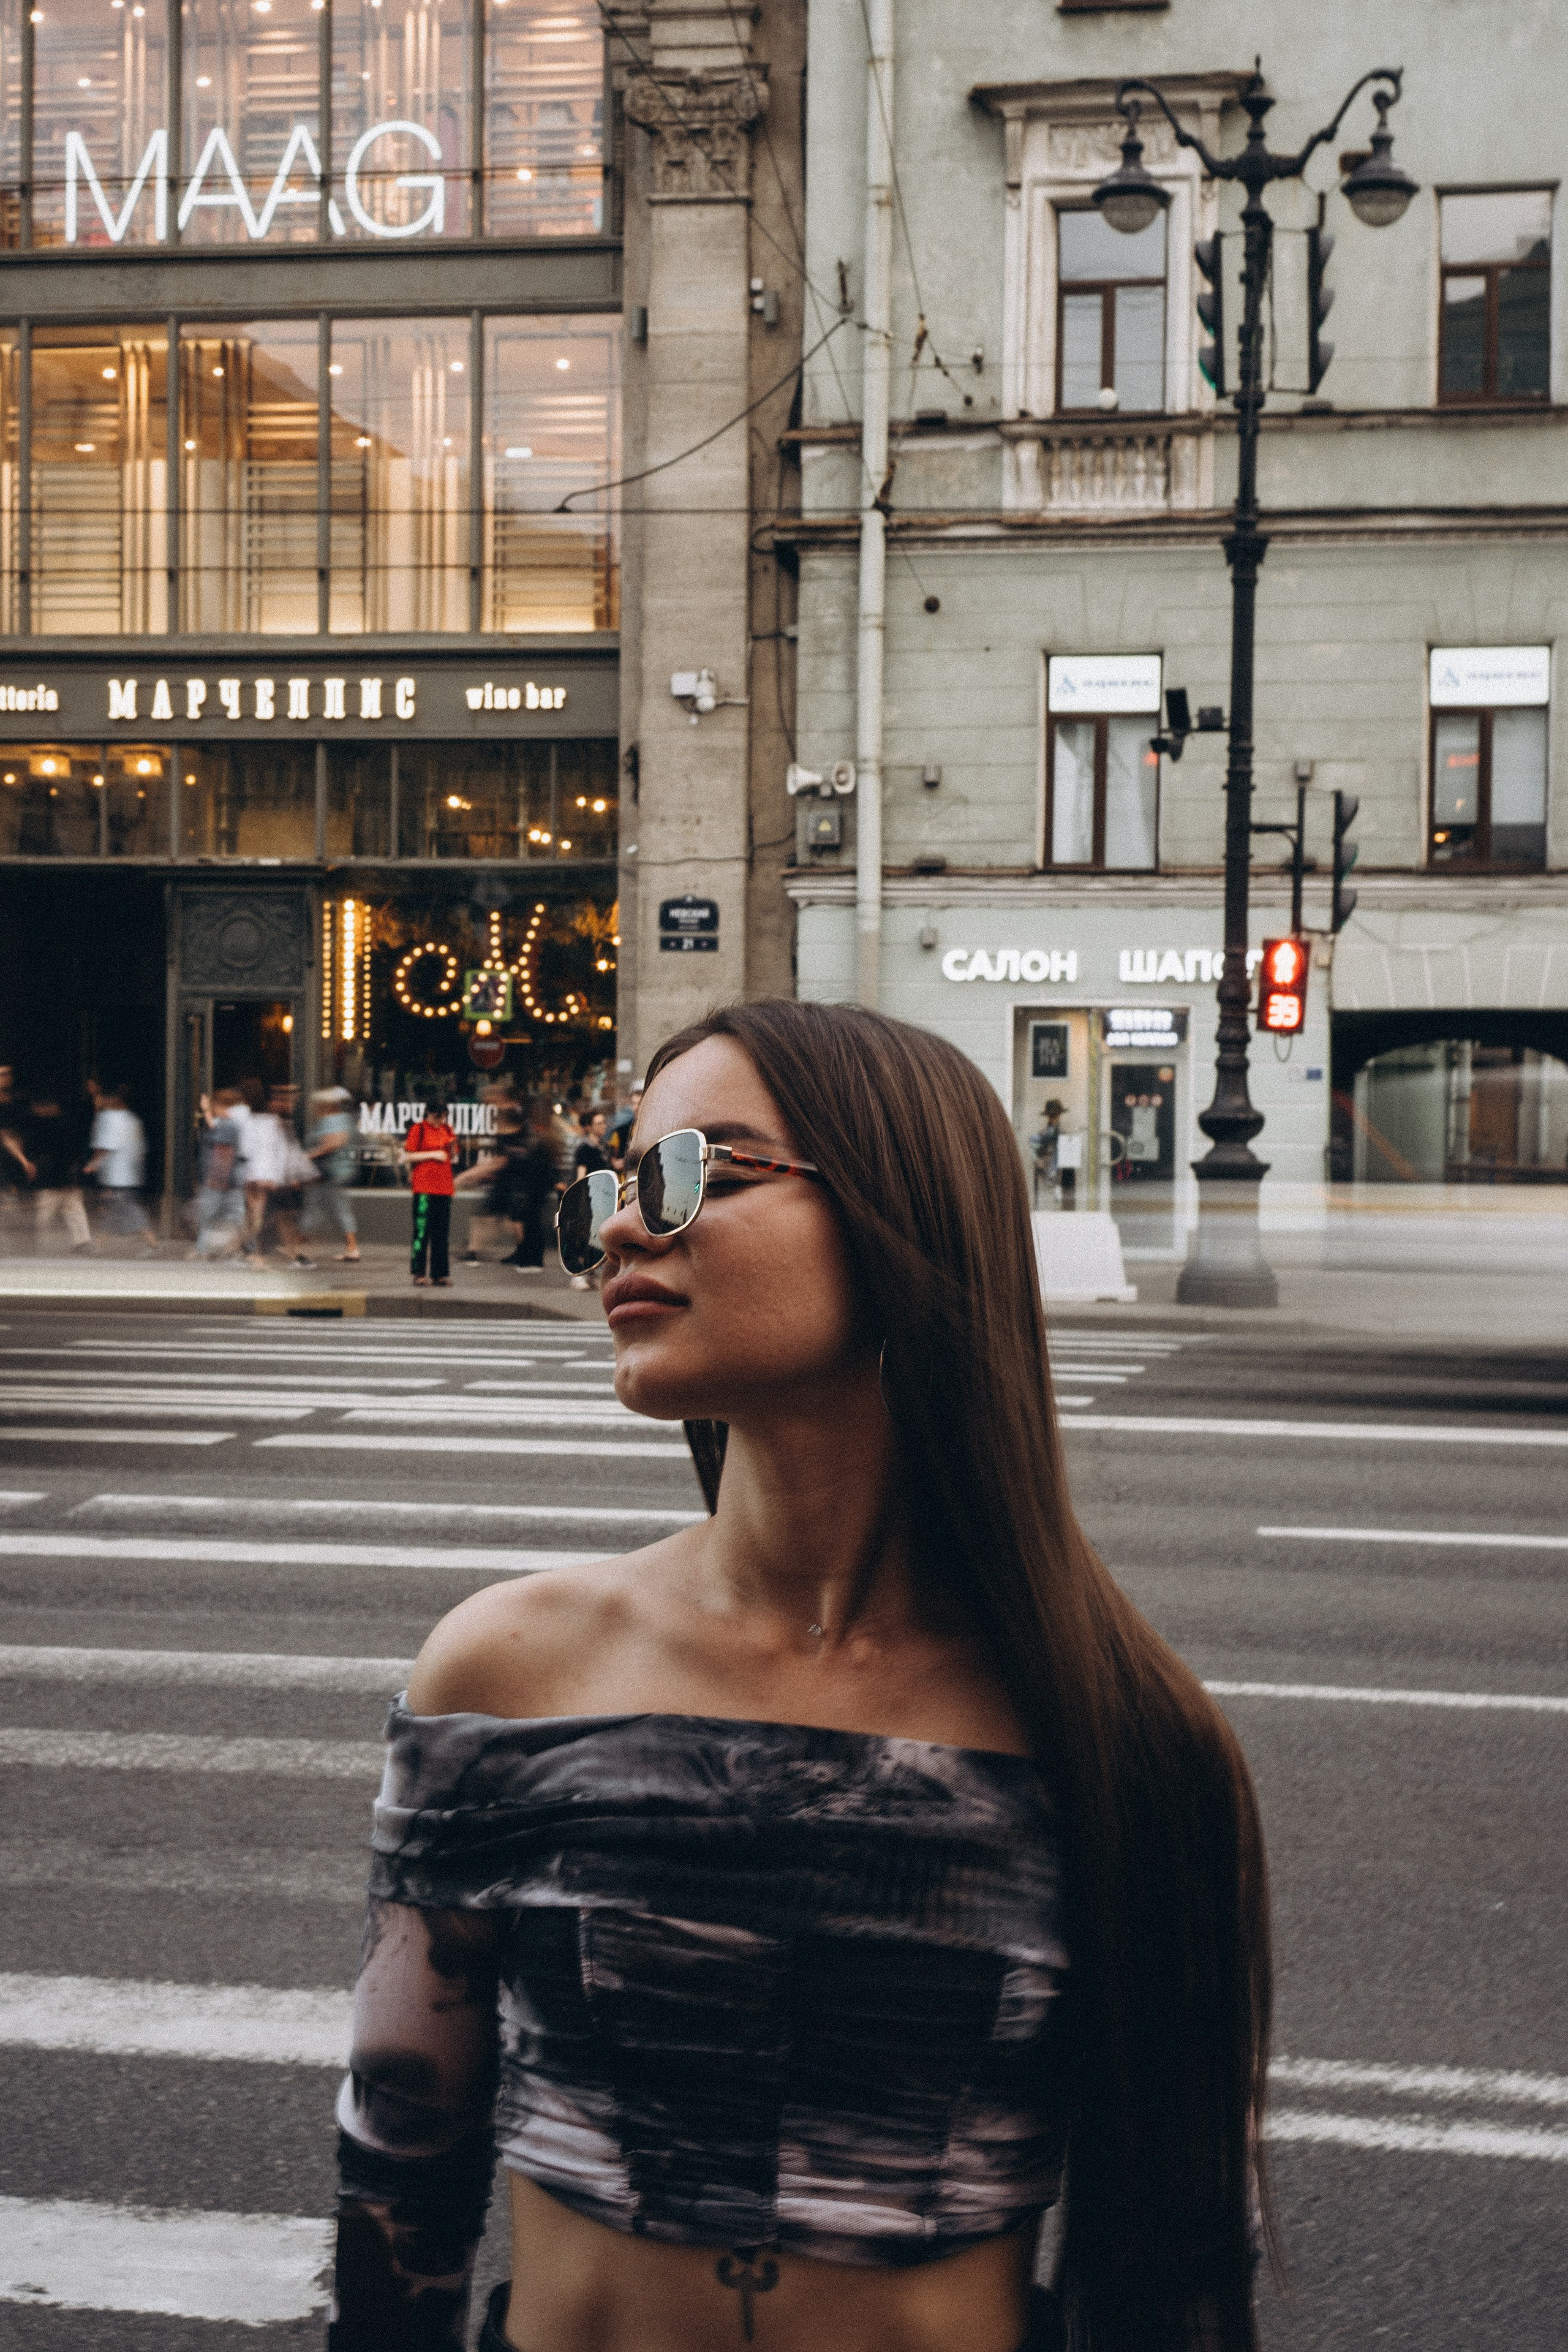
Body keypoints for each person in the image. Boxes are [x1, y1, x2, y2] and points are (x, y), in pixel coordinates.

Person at [328, 1000, 1272, 2352]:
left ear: (898, 1213)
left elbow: (1178, 2257)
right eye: (611, 1178)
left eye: (691, 1169)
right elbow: (400, 2158)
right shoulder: (506, 1670)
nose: (614, 1225)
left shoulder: (1123, 1737)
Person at [14, 1090, 92, 1252]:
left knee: (46, 1213)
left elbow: (38, 1154)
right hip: (67, 1177)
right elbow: (75, 1153)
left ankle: (42, 1245)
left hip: (50, 1178)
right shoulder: (67, 1126)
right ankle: (82, 1241)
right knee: (73, 1210)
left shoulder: (41, 1127)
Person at [85, 1083, 156, 1252]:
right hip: (130, 1174)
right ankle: (99, 1245)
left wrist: (93, 1164)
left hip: (116, 1174)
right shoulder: (133, 1119)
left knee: (126, 1211)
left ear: (112, 1100)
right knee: (116, 1209)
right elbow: (142, 1151)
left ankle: (152, 1243)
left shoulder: (109, 1117)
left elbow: (106, 1145)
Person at [402, 1097, 456, 1286]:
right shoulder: (419, 1129)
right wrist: (433, 1154)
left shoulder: (447, 1130)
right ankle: (418, 1272)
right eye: (437, 1117)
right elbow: (408, 1156)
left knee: (442, 1233)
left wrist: (450, 1148)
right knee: (422, 1231)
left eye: (443, 1117)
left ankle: (440, 1273)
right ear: (429, 1114)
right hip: (424, 1187)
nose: (440, 1121)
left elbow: (453, 1157)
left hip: (444, 1187)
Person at [306, 1087, 362, 1264]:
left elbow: (335, 1142)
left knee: (323, 1208)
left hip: (331, 1172)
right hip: (333, 1172)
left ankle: (297, 1243)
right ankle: (351, 1248)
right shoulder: (340, 1119)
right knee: (329, 1207)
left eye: (317, 1104)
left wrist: (310, 1155)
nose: (314, 1108)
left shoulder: (332, 1120)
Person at [189, 1088, 246, 1258]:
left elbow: (224, 1153)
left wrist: (217, 1179)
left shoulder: (228, 1124)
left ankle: (203, 1251)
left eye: (215, 1104)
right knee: (234, 1215)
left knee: (210, 1214)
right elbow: (215, 1128)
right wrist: (206, 1111)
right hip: (233, 1177)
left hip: (221, 1178)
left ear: (222, 1105)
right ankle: (236, 1250)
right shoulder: (231, 1122)